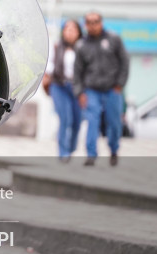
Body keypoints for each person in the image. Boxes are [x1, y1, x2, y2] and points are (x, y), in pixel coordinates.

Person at [74, 12, 129, 166]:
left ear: (101, 22)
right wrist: (80, 92)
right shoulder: (81, 45)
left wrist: (120, 84)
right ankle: (91, 155)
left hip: (113, 89)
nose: (93, 25)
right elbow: (77, 71)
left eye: (96, 21)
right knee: (92, 121)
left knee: (114, 122)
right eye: (89, 22)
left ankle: (113, 150)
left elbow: (125, 61)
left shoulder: (114, 39)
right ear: (85, 24)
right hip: (91, 89)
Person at [43, 19, 83, 161]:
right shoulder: (57, 46)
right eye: (67, 29)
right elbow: (49, 66)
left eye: (73, 29)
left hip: (77, 88)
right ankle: (63, 152)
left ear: (78, 32)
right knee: (65, 118)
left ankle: (71, 146)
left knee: (77, 121)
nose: (69, 32)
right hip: (59, 85)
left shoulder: (83, 48)